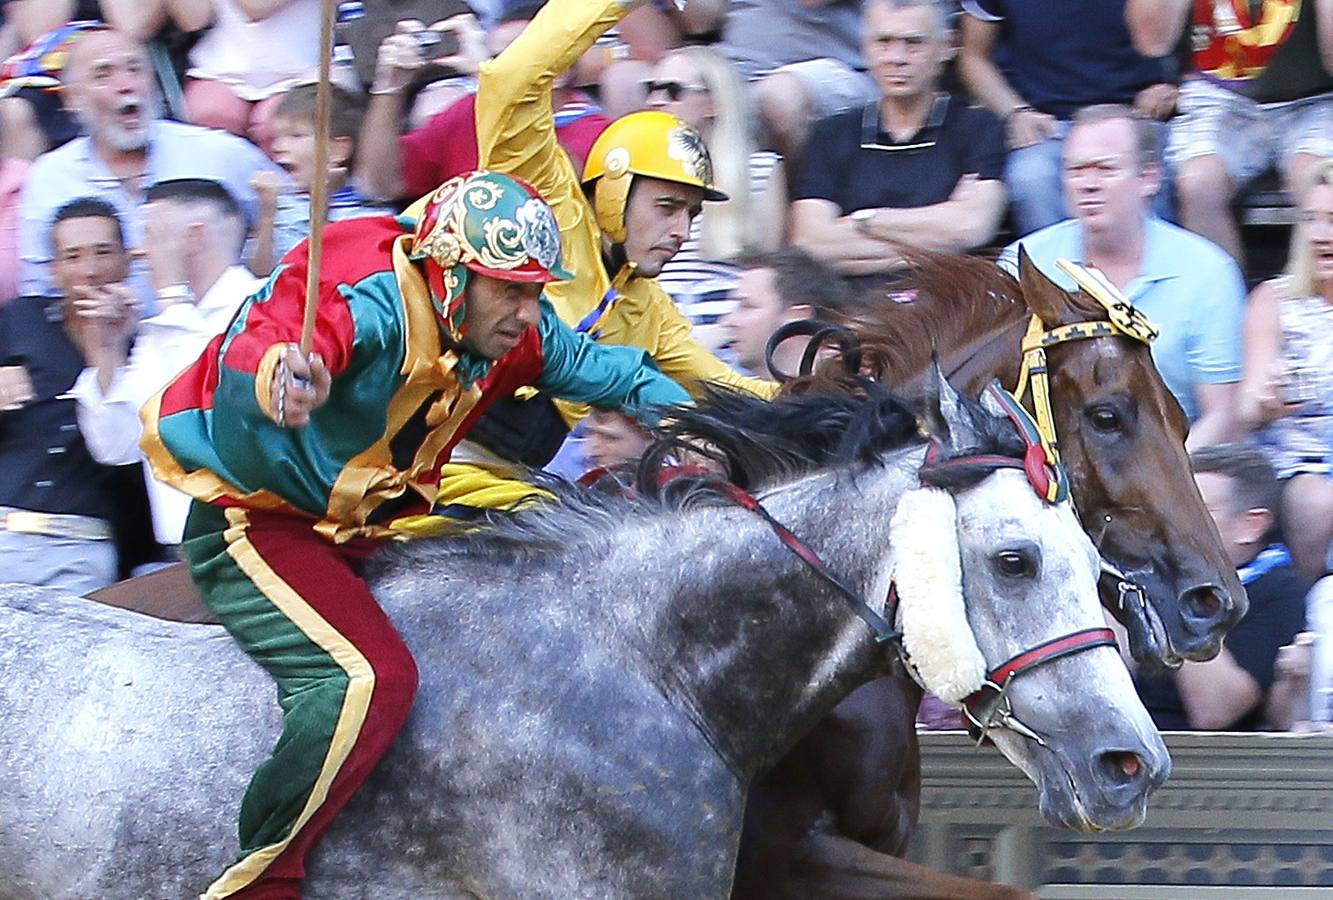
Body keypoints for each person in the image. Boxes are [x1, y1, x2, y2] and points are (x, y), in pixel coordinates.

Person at [140, 170, 691, 900]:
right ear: (452, 277)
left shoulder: (512, 334)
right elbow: (278, 339)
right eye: (511, 291)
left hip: (367, 535)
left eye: (535, 291)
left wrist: (705, 421)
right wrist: (281, 378)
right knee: (367, 679)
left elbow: (608, 372)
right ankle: (255, 885)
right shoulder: (369, 300)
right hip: (258, 520)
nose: (530, 313)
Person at [426, 0, 774, 519]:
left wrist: (841, 403)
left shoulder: (651, 312)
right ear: (614, 192)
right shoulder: (547, 205)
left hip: (502, 497)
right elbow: (511, 78)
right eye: (667, 208)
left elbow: (732, 391)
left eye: (691, 214)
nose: (681, 231)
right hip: (408, 456)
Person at [1001, 104, 1244, 448]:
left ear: (1149, 178)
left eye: (1105, 169)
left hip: (1171, 461)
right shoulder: (1021, 264)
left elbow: (1223, 417)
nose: (1088, 184)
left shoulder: (1208, 273)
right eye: (1076, 171)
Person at [17, 26, 283, 307]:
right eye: (103, 74)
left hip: (219, 336)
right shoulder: (49, 178)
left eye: (135, 69)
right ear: (72, 99)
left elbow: (294, 220)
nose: (126, 85)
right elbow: (40, 292)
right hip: (99, 340)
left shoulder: (218, 153)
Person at [71, 179, 260, 550]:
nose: (140, 252)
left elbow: (201, 412)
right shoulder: (162, 328)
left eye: (151, 235)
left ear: (193, 238)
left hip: (253, 540)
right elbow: (116, 446)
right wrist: (107, 349)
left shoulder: (262, 304)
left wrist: (172, 294)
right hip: (179, 550)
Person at [791, 0, 1007, 279]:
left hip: (948, 305)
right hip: (850, 307)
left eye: (913, 43)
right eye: (883, 41)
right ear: (864, 48)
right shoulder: (831, 134)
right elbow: (810, 243)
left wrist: (864, 220)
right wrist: (939, 240)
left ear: (947, 46)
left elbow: (971, 227)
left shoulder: (979, 128)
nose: (896, 57)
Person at [1125, 0, 1333, 263]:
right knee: (1199, 182)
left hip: (1313, 97)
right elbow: (1152, 43)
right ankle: (1224, 298)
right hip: (1218, 93)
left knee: (1318, 180)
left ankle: (1314, 297)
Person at [0, 198, 137, 594]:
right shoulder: (21, 318)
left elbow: (122, 452)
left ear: (128, 260)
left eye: (103, 252)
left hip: (82, 546)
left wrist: (107, 345)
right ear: (54, 271)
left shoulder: (149, 345)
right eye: (72, 257)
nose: (89, 270)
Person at [957, 0, 1177, 235]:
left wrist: (1174, 86)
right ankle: (1052, 270)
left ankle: (1153, 269)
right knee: (1031, 179)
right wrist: (1015, 112)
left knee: (1146, 177)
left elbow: (1199, 36)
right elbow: (974, 57)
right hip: (1047, 122)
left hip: (1135, 115)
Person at [356, 6, 610, 203]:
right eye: (493, 58)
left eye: (506, 59)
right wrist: (389, 88)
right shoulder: (467, 113)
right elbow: (381, 184)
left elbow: (560, 183)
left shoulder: (595, 130)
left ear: (561, 72)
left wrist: (487, 78)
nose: (493, 69)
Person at [1135, 443, 1308, 730]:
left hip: (1209, 762)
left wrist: (1176, 586)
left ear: (1250, 526)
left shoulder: (1278, 589)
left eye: (1197, 508)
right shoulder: (1147, 572)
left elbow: (1214, 710)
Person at [645, 45, 787, 352]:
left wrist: (720, 335)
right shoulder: (636, 179)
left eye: (673, 90)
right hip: (653, 334)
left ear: (712, 102)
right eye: (651, 88)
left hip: (728, 340)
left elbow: (769, 277)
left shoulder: (760, 170)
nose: (655, 101)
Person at [1238, 159, 1333, 585]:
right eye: (1311, 219)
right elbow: (1247, 406)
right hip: (1301, 463)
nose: (1319, 233)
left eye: (1332, 220)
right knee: (1318, 500)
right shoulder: (1274, 300)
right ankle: (1307, 616)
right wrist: (1266, 400)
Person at [716, 0, 879, 168]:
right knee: (692, 91)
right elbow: (699, 20)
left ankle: (806, 192)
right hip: (736, 69)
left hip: (838, 71)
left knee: (779, 97)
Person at [250, 83, 394, 274]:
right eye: (277, 137)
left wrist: (323, 202)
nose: (278, 146)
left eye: (296, 135)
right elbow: (261, 276)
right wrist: (267, 215)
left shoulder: (371, 213)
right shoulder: (281, 206)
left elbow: (325, 274)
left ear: (338, 150)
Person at [722, 247, 855, 379]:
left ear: (798, 318)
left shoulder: (848, 395)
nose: (728, 322)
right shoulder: (737, 394)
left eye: (747, 306)